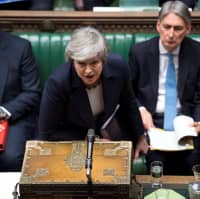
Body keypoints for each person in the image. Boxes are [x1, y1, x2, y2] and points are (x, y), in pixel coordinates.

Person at [38, 26, 148, 160]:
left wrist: (140, 136)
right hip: (75, 136)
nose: (88, 70)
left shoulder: (119, 67)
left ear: (103, 59)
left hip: (110, 129)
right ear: (73, 60)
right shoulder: (57, 83)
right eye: (82, 64)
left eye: (94, 63)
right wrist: (92, 141)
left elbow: (129, 102)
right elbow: (46, 133)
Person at [129, 0, 200, 175]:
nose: (171, 34)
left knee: (194, 162)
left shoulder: (197, 52)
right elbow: (127, 93)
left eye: (177, 28)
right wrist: (140, 109)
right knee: (157, 162)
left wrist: (198, 122)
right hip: (153, 124)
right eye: (167, 27)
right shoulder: (140, 52)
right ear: (158, 26)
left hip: (186, 124)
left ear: (188, 29)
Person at [0, 31, 41, 171]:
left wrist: (2, 112)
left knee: (10, 158)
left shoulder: (20, 47)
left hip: (11, 116)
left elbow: (31, 93)